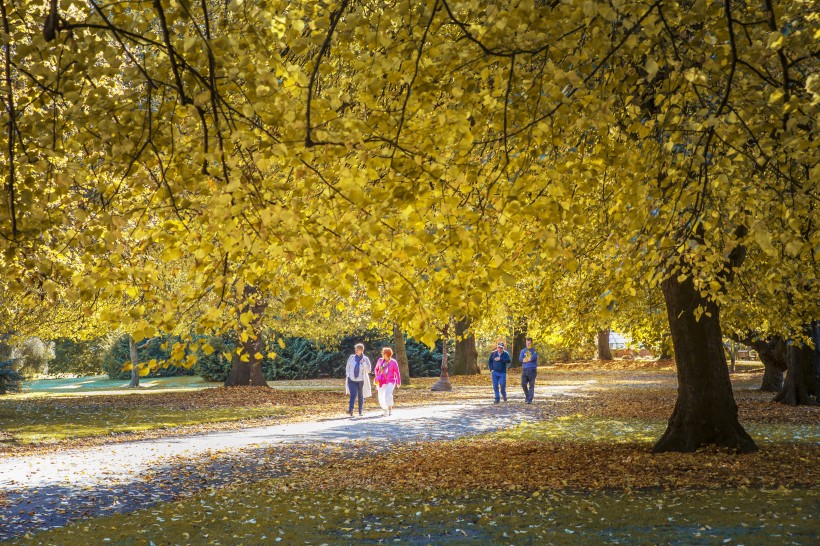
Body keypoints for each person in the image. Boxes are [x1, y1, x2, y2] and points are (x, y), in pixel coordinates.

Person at [345, 343, 372, 416]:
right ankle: (351, 410)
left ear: (361, 350)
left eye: (357, 349)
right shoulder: (352, 357)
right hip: (351, 379)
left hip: (361, 380)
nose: (356, 351)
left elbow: (368, 370)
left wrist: (364, 363)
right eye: (355, 349)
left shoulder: (365, 359)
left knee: (360, 395)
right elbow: (348, 366)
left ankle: (360, 410)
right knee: (353, 394)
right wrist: (348, 374)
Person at [373, 347, 401, 416]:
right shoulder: (380, 361)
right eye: (383, 353)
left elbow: (397, 372)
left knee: (388, 393)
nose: (383, 355)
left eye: (385, 354)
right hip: (381, 381)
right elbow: (376, 369)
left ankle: (390, 408)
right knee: (380, 395)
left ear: (389, 354)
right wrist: (377, 376)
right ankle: (385, 409)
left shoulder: (393, 362)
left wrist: (398, 382)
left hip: (390, 380)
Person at [519, 337, 538, 404]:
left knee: (531, 385)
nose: (528, 344)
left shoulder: (534, 350)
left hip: (532, 370)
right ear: (525, 343)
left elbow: (532, 358)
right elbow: (521, 359)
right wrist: (527, 359)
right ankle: (527, 395)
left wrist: (526, 359)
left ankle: (530, 399)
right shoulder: (522, 351)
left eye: (529, 343)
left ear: (531, 343)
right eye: (527, 343)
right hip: (525, 370)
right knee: (523, 384)